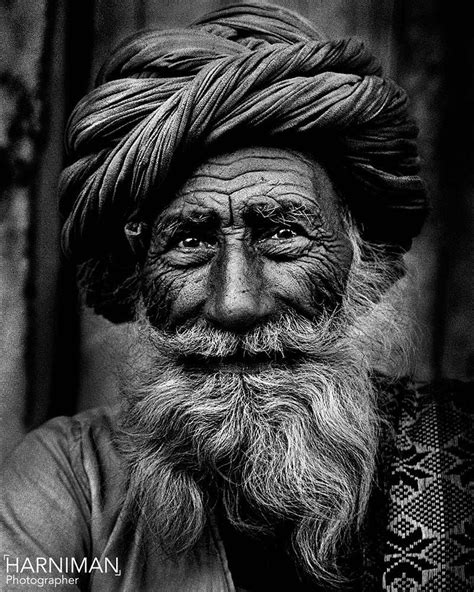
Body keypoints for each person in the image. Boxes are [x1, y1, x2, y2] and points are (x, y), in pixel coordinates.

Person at [1, 2, 472, 591]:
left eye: (283, 232)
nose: (235, 303)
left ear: (362, 259)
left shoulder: (461, 458)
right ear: (138, 277)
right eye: (190, 240)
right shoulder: (70, 482)